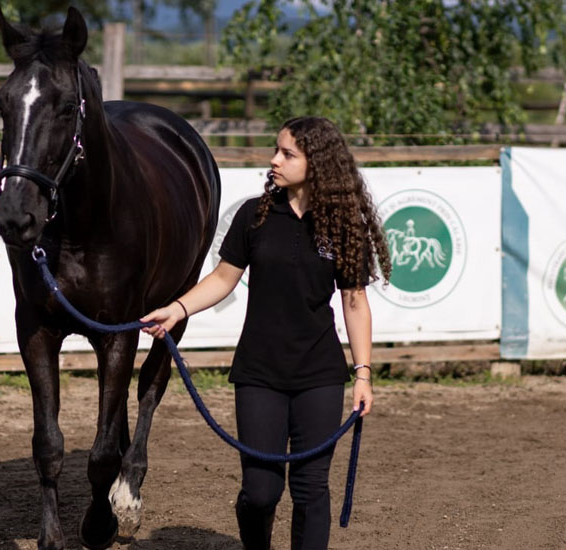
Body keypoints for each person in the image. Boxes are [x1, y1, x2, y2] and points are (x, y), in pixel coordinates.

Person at [140, 116, 391, 550]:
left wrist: (363, 374)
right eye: (276, 150)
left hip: (320, 376)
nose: (274, 160)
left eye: (287, 154)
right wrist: (177, 310)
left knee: (312, 491)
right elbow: (222, 278)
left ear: (317, 163)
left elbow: (354, 301)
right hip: (258, 375)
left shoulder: (344, 223)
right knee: (260, 493)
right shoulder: (253, 215)